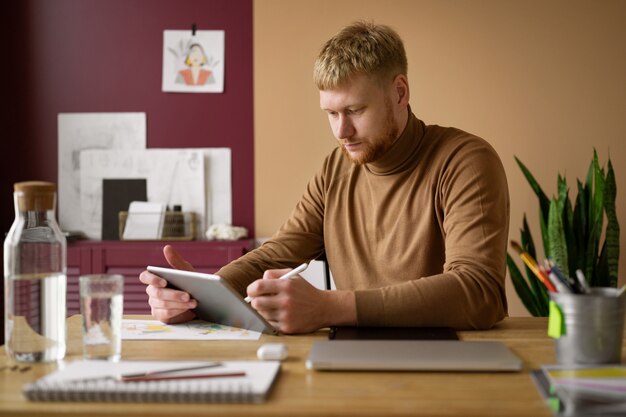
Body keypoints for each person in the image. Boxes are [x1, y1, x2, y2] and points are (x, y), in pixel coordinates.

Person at [140, 21, 510, 334]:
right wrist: (201, 295)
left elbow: (478, 292)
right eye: (331, 114)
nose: (342, 131)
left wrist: (330, 308)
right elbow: (278, 252)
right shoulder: (336, 169)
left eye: (354, 110)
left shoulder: (465, 160)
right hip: (353, 356)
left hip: (452, 361)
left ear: (399, 92)